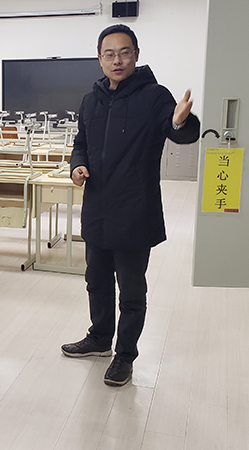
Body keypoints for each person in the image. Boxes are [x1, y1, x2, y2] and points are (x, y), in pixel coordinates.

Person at [61, 24, 200, 387]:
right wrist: (78, 165)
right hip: (98, 209)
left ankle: (125, 355)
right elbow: (81, 143)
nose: (117, 60)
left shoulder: (154, 96)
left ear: (136, 55)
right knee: (96, 281)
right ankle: (99, 338)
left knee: (132, 291)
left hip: (135, 211)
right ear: (99, 59)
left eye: (124, 53)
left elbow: (179, 129)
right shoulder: (91, 100)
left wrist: (180, 122)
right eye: (109, 54)